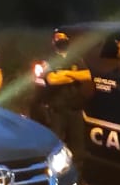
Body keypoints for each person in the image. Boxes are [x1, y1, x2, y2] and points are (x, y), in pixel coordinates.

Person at [39, 30, 94, 162]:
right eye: (58, 38)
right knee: (55, 147)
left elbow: (87, 75)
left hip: (75, 109)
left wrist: (65, 73)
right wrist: (75, 76)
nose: (61, 40)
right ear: (53, 42)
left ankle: (77, 173)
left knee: (78, 147)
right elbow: (52, 80)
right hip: (57, 110)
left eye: (63, 38)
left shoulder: (76, 58)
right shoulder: (49, 59)